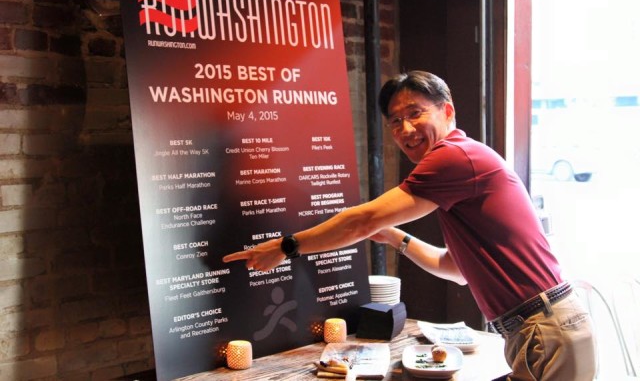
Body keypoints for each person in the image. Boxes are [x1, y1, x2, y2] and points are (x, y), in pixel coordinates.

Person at [223, 70, 596, 380]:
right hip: (541, 326)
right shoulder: (462, 162)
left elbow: (362, 218)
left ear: (447, 111)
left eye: (415, 113)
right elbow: (454, 268)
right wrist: (395, 237)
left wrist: (286, 247)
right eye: (395, 122)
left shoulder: (453, 156)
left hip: (543, 329)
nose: (405, 129)